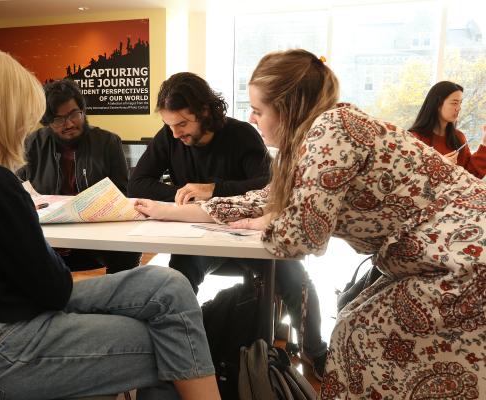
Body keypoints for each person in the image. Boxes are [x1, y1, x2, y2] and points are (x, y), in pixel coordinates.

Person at [134, 49, 486, 399]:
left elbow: (302, 237)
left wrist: (265, 223)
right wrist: (166, 210)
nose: (253, 119)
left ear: (286, 108)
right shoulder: (311, 141)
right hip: (447, 253)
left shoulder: (331, 130)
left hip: (462, 257)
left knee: (362, 335)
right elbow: (261, 200)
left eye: (258, 110)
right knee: (358, 329)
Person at [0, 47, 220, 400]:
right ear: (3, 113)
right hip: (0, 347)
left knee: (168, 284)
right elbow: (53, 288)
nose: (27, 127)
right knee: (175, 342)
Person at [128, 71, 327, 378]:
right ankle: (184, 353)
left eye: (183, 123)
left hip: (252, 233)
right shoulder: (169, 136)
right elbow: (138, 183)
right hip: (202, 234)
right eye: (170, 125)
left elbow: (265, 185)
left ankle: (316, 350)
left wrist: (212, 189)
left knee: (294, 280)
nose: (176, 133)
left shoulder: (241, 134)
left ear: (205, 112)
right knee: (178, 279)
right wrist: (186, 197)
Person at [17, 79, 141, 272]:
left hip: (98, 237)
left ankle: (118, 299)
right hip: (49, 238)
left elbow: (120, 195)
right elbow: (19, 193)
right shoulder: (32, 145)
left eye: (74, 114)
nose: (69, 124)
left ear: (83, 110)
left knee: (130, 249)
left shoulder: (108, 142)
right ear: (48, 122)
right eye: (58, 120)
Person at [409, 80, 486, 179]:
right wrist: (440, 166)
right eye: (454, 103)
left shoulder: (459, 137)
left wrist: (484, 144)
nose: (458, 108)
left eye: (460, 103)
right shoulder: (414, 138)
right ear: (437, 104)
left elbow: (471, 175)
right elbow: (409, 181)